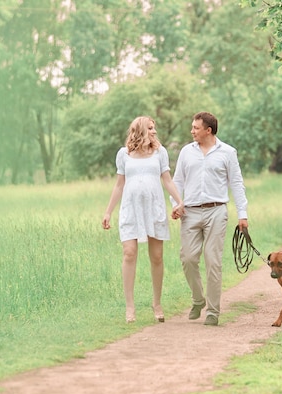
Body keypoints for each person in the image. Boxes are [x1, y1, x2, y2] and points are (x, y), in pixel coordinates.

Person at [102, 116, 184, 324]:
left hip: (153, 209)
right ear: (139, 130)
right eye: (150, 128)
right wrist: (108, 212)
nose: (154, 132)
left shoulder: (160, 153)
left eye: (154, 128)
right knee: (129, 253)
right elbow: (119, 185)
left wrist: (179, 202)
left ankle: (156, 303)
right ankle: (130, 306)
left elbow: (167, 180)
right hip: (131, 210)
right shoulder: (124, 154)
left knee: (156, 257)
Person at [171, 111, 249, 326]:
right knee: (188, 259)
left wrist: (242, 214)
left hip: (216, 210)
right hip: (190, 211)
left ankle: (213, 311)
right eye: (192, 127)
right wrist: (176, 204)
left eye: (196, 128)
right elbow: (177, 181)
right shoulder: (187, 152)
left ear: (209, 130)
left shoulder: (228, 152)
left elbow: (236, 183)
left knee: (213, 261)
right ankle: (198, 299)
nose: (192, 131)